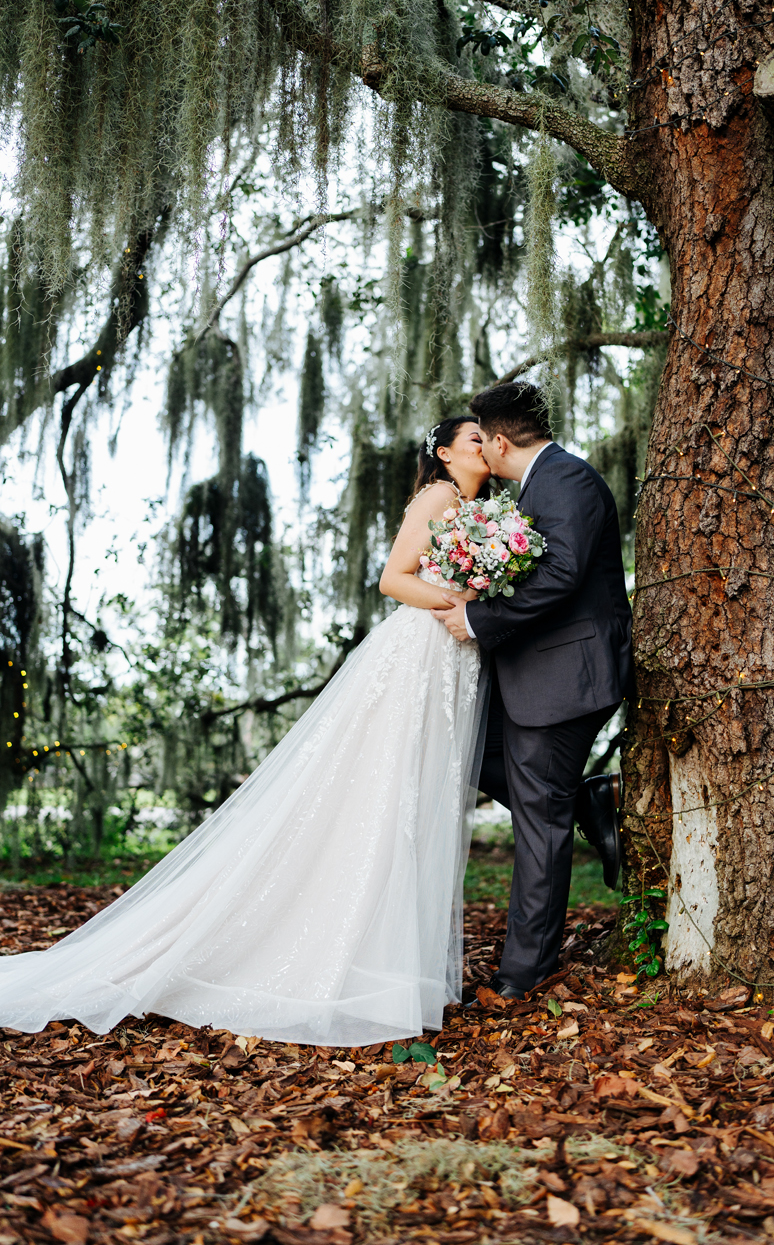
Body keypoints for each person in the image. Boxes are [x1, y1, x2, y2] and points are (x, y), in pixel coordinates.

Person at [0, 418, 491, 1046]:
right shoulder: (440, 497)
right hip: (419, 653)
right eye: (472, 437)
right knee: (381, 794)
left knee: (416, 798)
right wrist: (460, 604)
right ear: (445, 452)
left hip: (453, 657)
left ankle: (384, 957)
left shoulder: (480, 509)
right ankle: (338, 953)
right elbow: (393, 579)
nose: (483, 444)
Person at [433, 383, 634, 1001]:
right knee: (466, 752)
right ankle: (589, 802)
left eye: (481, 440)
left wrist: (477, 621)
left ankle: (523, 975)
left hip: (564, 676)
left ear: (498, 441)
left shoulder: (565, 480)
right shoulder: (539, 486)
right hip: (533, 674)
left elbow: (563, 573)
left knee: (538, 824)